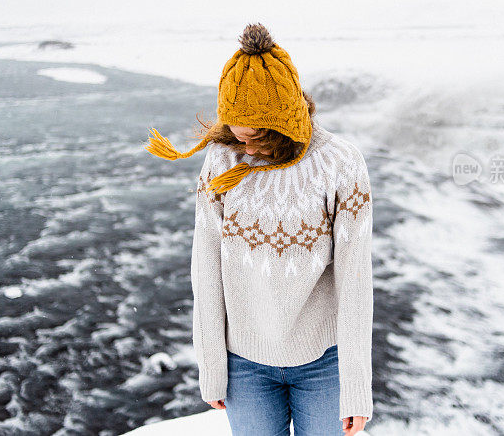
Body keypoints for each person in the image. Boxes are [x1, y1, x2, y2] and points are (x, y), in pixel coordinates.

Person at [144, 23, 374, 436]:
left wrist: (356, 387)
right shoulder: (222, 160)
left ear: (282, 121)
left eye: (255, 137)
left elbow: (355, 279)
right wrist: (211, 365)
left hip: (323, 364)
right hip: (245, 367)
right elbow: (206, 265)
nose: (244, 148)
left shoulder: (340, 163)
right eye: (234, 132)